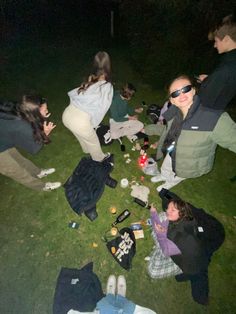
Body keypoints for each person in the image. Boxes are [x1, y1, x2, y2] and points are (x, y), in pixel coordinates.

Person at [151, 74, 236, 191]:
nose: (181, 95)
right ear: (172, 100)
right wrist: (148, 130)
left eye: (185, 89)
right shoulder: (173, 113)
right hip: (172, 151)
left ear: (194, 91)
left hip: (189, 163)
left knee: (178, 175)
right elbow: (166, 131)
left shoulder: (213, 118)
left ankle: (169, 183)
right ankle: (163, 175)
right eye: (175, 93)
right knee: (167, 165)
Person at [147, 195, 225, 305]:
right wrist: (154, 214)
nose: (168, 211)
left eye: (172, 210)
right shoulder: (189, 219)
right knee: (161, 218)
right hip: (194, 253)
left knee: (153, 270)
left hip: (190, 265)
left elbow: (164, 248)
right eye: (168, 208)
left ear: (182, 213)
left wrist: (160, 233)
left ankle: (185, 273)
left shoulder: (176, 237)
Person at [0, 95, 61, 191]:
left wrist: (41, 119)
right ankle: (42, 186)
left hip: (3, 140)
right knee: (16, 171)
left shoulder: (18, 109)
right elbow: (34, 149)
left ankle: (37, 172)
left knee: (19, 158)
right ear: (35, 112)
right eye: (45, 109)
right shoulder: (21, 125)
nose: (47, 111)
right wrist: (45, 134)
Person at [62, 51, 114, 162]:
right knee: (94, 141)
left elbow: (78, 95)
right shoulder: (107, 85)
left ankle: (86, 150)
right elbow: (102, 108)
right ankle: (100, 159)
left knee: (81, 135)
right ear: (108, 65)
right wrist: (93, 124)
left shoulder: (90, 78)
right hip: (80, 120)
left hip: (67, 114)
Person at [198, 13, 236, 110]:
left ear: (227, 39)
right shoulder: (230, 62)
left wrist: (207, 83)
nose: (215, 45)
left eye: (216, 41)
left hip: (209, 115)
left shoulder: (227, 67)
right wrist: (209, 79)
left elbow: (204, 100)